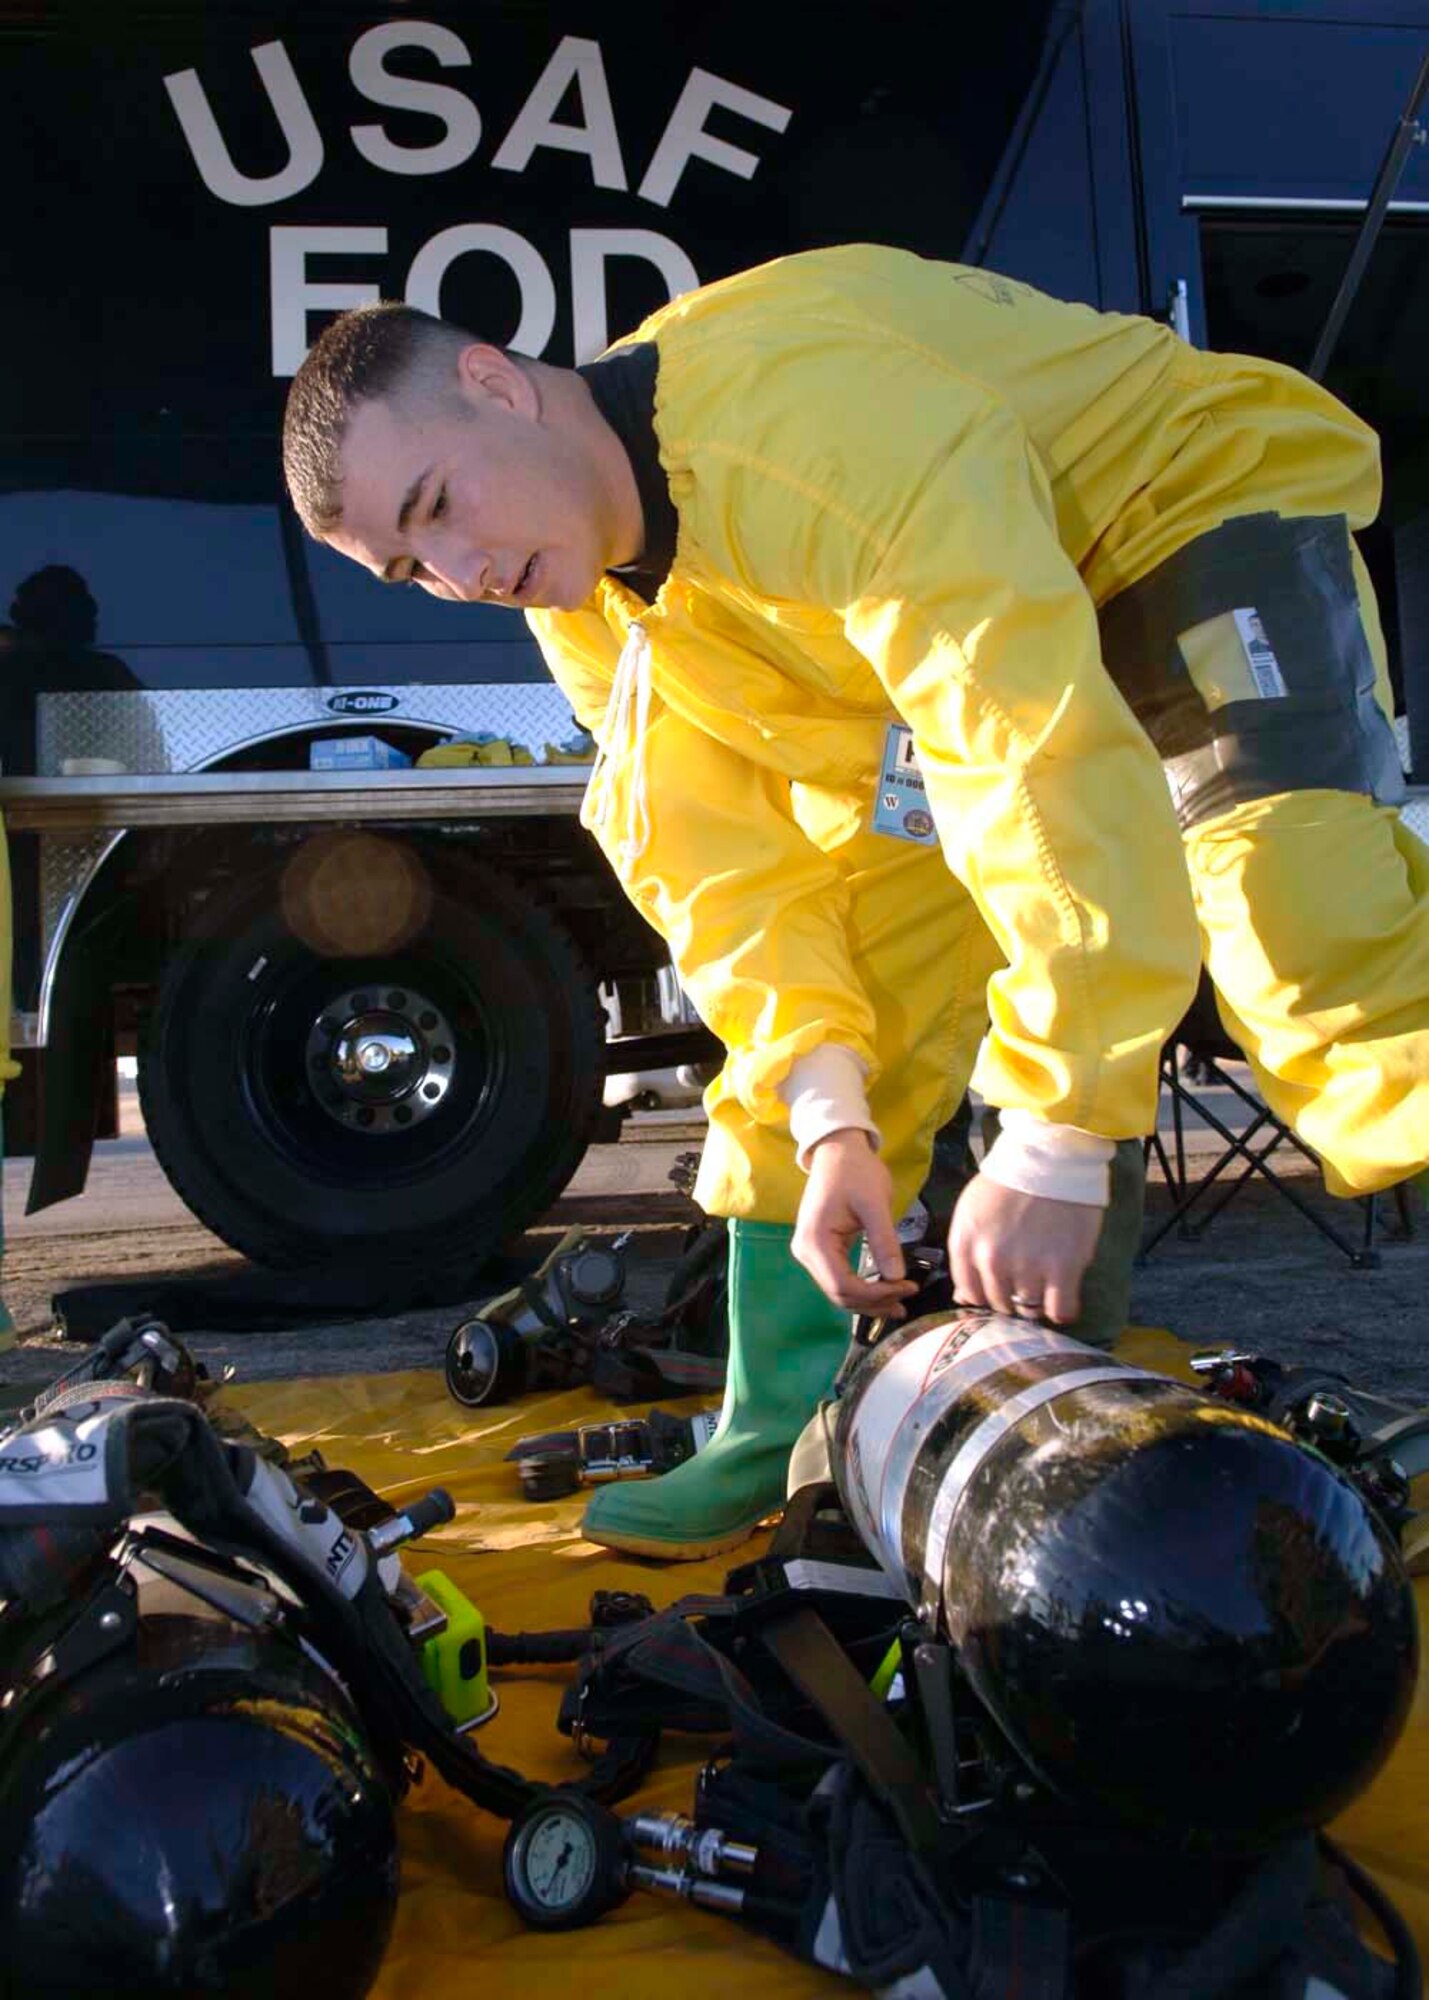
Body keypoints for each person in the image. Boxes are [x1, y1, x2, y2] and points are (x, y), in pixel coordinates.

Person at [282, 244, 1429, 1558]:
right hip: (960, 647)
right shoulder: (588, 604)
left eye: (438, 505)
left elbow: (1019, 742)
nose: (460, 571)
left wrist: (1057, 1128)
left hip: (1171, 517)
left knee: (1302, 935)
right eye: (410, 569)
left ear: (495, 382)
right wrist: (829, 1121)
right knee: (845, 1023)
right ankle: (785, 1432)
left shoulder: (798, 426)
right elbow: (726, 873)